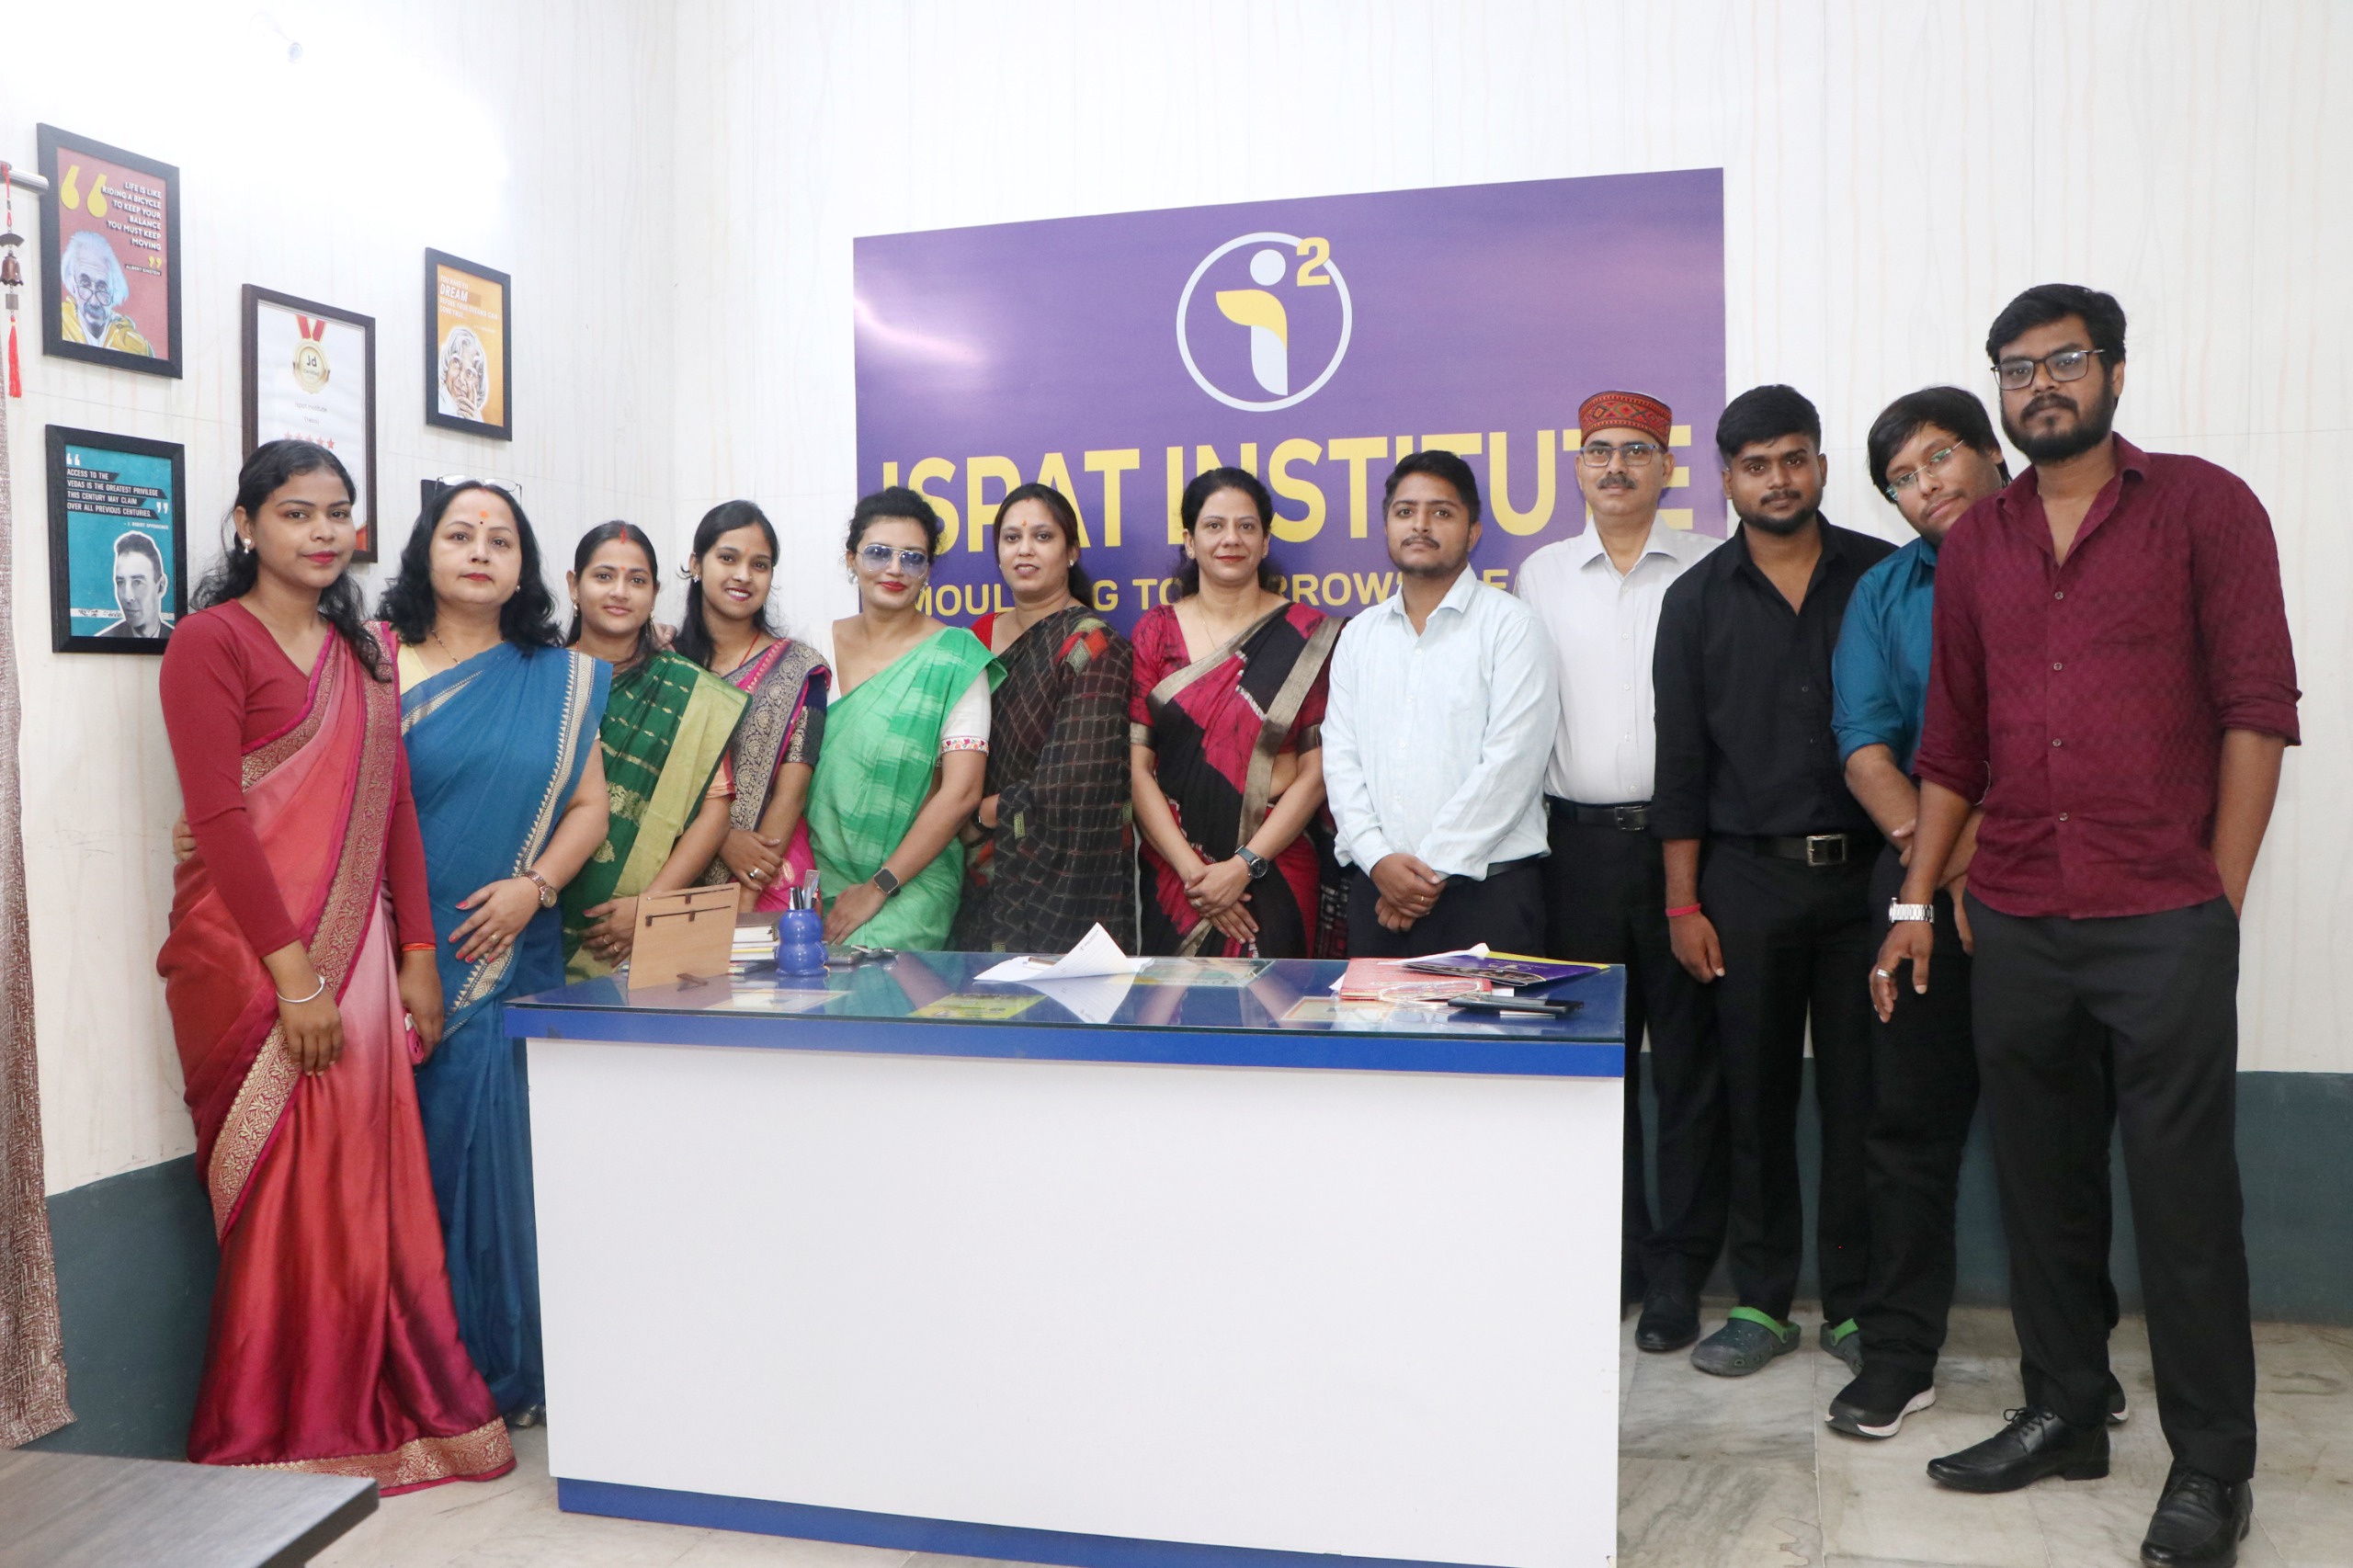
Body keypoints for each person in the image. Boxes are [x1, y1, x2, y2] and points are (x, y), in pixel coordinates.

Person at [1880, 285, 2299, 1568]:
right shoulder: (1982, 545)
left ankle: (2212, 1463)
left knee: (2184, 1202)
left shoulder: (2206, 507)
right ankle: (2065, 1410)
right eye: (2016, 369)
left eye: (2064, 360)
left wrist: (2216, 898)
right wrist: (1915, 899)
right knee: (2042, 1185)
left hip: (2162, 913)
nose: (2041, 385)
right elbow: (1952, 742)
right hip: (2016, 912)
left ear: (2115, 371)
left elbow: (2256, 707)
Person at [156, 439, 512, 1489]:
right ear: (246, 525)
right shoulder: (209, 642)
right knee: (283, 1188)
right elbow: (219, 817)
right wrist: (295, 980)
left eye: (337, 513)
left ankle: (380, 1407)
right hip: (248, 961)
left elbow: (391, 805)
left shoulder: (368, 653)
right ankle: (275, 1420)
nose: (322, 532)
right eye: (296, 512)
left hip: (359, 956)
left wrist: (418, 954)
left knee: (363, 1184)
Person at [1652, 384, 1894, 1380]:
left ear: (1822, 466)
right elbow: (1680, 766)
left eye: (1794, 458)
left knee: (1860, 1099)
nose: (1778, 479)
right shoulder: (1694, 600)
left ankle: (1855, 1304)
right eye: (1756, 465)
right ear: (1727, 482)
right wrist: (1682, 902)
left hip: (1867, 881)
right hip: (1743, 882)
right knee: (1751, 1097)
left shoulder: (1880, 576)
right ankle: (1760, 1298)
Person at [378, 481, 611, 1422]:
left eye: (501, 539)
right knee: (415, 1165)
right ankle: (427, 1372)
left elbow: (589, 807)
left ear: (524, 567)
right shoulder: (376, 664)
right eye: (460, 534)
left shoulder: (560, 679)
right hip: (396, 953)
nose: (480, 551)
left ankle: (508, 1372)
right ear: (425, 551)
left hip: (518, 950)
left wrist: (534, 889)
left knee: (507, 1168)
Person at [1517, 391, 1725, 1344]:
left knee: (1687, 1069)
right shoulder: (1541, 574)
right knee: (1597, 1067)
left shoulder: (1712, 564)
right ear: (1576, 466)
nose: (1615, 466)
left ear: (1667, 467)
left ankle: (1680, 1273)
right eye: (1598, 450)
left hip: (1688, 853)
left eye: (1636, 450)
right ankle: (1613, 1257)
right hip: (1575, 853)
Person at [1323, 449, 1556, 956]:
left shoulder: (1512, 627)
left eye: (1441, 512)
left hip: (1487, 896)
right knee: (1376, 1017)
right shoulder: (1359, 636)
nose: (1420, 525)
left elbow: (1511, 767)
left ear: (1473, 532)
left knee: (1488, 1020)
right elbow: (1340, 760)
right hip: (1376, 892)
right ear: (1387, 526)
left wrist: (1424, 876)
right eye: (1405, 511)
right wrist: (1379, 861)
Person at [1131, 467, 1338, 959]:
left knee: (1275, 1004)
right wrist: (1196, 877)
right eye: (1214, 525)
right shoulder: (1156, 632)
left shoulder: (1307, 636)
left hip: (1275, 867)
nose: (1231, 539)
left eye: (1247, 526)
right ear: (1189, 541)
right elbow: (1137, 770)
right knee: (1175, 1005)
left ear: (1265, 542)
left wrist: (1245, 865)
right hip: (1177, 876)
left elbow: (1316, 771)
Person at [805, 487, 1001, 949]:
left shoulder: (956, 658)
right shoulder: (813, 645)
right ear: (851, 559)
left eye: (912, 558)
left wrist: (878, 888)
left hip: (910, 884)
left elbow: (962, 792)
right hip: (812, 878)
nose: (895, 569)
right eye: (878, 553)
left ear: (928, 571)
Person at [951, 483, 1136, 952]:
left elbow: (1076, 780)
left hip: (1056, 876)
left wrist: (979, 816)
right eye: (1012, 538)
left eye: (1043, 536)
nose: (1025, 549)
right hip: (960, 871)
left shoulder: (1092, 645)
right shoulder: (976, 638)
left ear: (1071, 552)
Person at [561, 522, 748, 977]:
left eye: (637, 580)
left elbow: (715, 812)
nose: (620, 592)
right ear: (574, 585)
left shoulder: (690, 692)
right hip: (539, 917)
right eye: (603, 576)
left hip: (643, 933)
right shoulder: (543, 678)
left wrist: (651, 906)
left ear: (655, 593)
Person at [674, 501, 829, 909]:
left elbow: (791, 796)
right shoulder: (666, 664)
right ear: (696, 563)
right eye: (728, 558)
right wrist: (721, 838)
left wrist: (745, 897)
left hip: (770, 873)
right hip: (674, 872)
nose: (744, 575)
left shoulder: (800, 668)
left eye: (760, 565)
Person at [59, 230, 153, 355]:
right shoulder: (58, 322)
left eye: (102, 288)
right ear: (72, 283)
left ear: (115, 290)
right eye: (85, 283)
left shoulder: (138, 347)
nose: (94, 302)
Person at [99, 530, 171, 638]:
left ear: (161, 586)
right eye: (120, 582)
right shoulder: (102, 642)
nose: (127, 597)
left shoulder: (180, 641)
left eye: (137, 582)